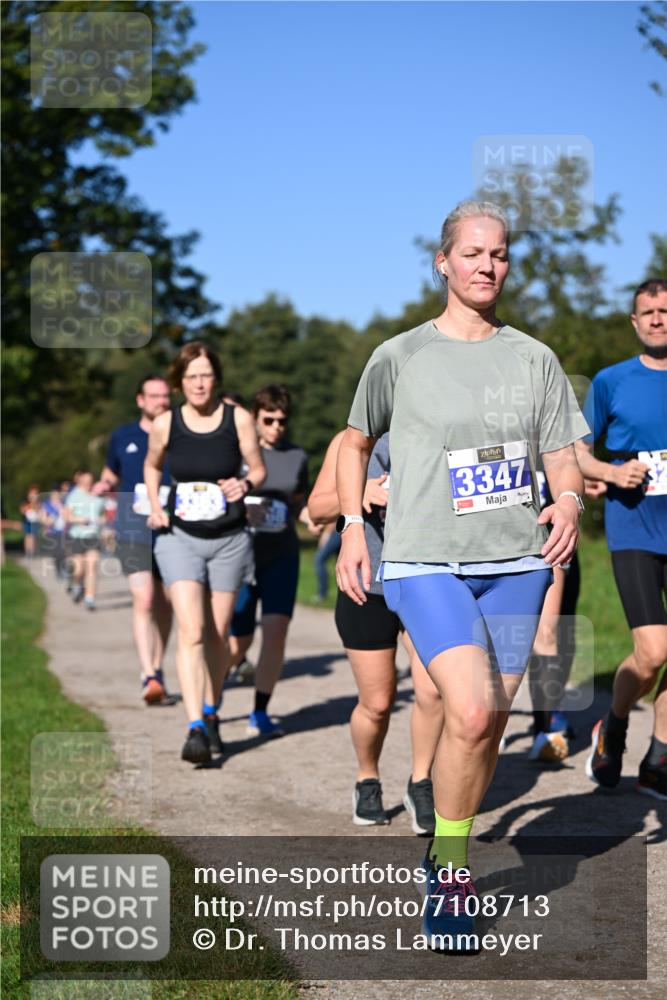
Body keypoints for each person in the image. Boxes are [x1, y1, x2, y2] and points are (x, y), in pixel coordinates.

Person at [336, 200, 588, 948]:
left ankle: (444, 848)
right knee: (473, 711)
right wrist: (353, 525)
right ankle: (451, 873)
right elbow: (352, 442)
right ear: (442, 262)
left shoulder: (532, 358)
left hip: (516, 563)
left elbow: (560, 451)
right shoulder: (399, 355)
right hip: (422, 560)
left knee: (481, 730)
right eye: (473, 253)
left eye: (499, 254)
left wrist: (568, 498)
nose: (488, 266)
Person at [309, 430, 443, 834]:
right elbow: (316, 509)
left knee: (433, 691)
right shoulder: (350, 441)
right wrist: (357, 493)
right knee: (378, 702)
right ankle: (367, 778)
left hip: (427, 581)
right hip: (366, 586)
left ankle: (421, 781)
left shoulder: (440, 430)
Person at [145, 342, 266, 765]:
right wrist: (156, 507)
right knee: (192, 630)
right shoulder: (166, 423)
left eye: (206, 375)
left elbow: (258, 467)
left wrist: (245, 485)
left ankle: (213, 711)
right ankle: (195, 725)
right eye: (191, 376)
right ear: (180, 381)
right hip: (180, 538)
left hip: (230, 539)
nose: (199, 383)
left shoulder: (239, 419)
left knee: (218, 634)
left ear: (216, 378)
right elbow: (151, 465)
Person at [576, 278, 667, 801]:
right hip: (634, 527)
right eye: (647, 312)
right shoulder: (612, 381)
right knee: (653, 651)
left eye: (663, 311)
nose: (656, 319)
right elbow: (577, 453)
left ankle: (657, 758)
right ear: (635, 322)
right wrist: (611, 474)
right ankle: (612, 724)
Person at [227, 384, 309, 737]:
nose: (276, 427)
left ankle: (259, 712)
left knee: (276, 634)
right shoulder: (236, 454)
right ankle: (211, 702)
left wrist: (315, 517)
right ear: (255, 418)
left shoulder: (297, 456)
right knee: (237, 642)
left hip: (282, 555)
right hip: (241, 558)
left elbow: (299, 501)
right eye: (269, 420)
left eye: (282, 421)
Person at [101, 375, 175, 705]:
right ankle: (148, 673)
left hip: (171, 526)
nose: (161, 401)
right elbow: (111, 472)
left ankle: (157, 666)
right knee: (143, 598)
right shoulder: (122, 436)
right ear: (140, 400)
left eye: (164, 396)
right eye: (154, 396)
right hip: (132, 528)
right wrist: (103, 485)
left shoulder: (180, 433)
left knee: (166, 603)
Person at [526, 471, 581, 762]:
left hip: (553, 533)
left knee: (553, 631)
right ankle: (485, 719)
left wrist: (575, 491)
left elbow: (576, 457)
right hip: (499, 533)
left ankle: (544, 727)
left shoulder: (558, 427)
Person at [63, 471, 105, 609]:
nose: (88, 483)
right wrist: (79, 519)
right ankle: (77, 585)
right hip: (77, 535)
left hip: (93, 536)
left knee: (92, 567)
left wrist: (103, 523)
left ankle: (90, 598)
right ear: (80, 481)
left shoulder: (98, 496)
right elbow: (66, 516)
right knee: (79, 569)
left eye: (90, 480)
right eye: (85, 480)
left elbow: (104, 515)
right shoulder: (73, 496)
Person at [313, 525, 341, 602]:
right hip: (341, 528)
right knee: (340, 563)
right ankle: (344, 594)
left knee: (319, 559)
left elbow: (336, 516)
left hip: (337, 529)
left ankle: (322, 593)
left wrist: (327, 533)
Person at [20, 485, 42, 558]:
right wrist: (29, 506)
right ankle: (28, 552)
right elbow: (22, 510)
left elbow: (40, 510)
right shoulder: (25, 502)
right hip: (27, 521)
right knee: (28, 536)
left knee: (34, 536)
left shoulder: (38, 503)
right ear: (29, 494)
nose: (33, 495)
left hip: (35, 522)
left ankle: (33, 551)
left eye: (35, 493)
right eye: (32, 493)